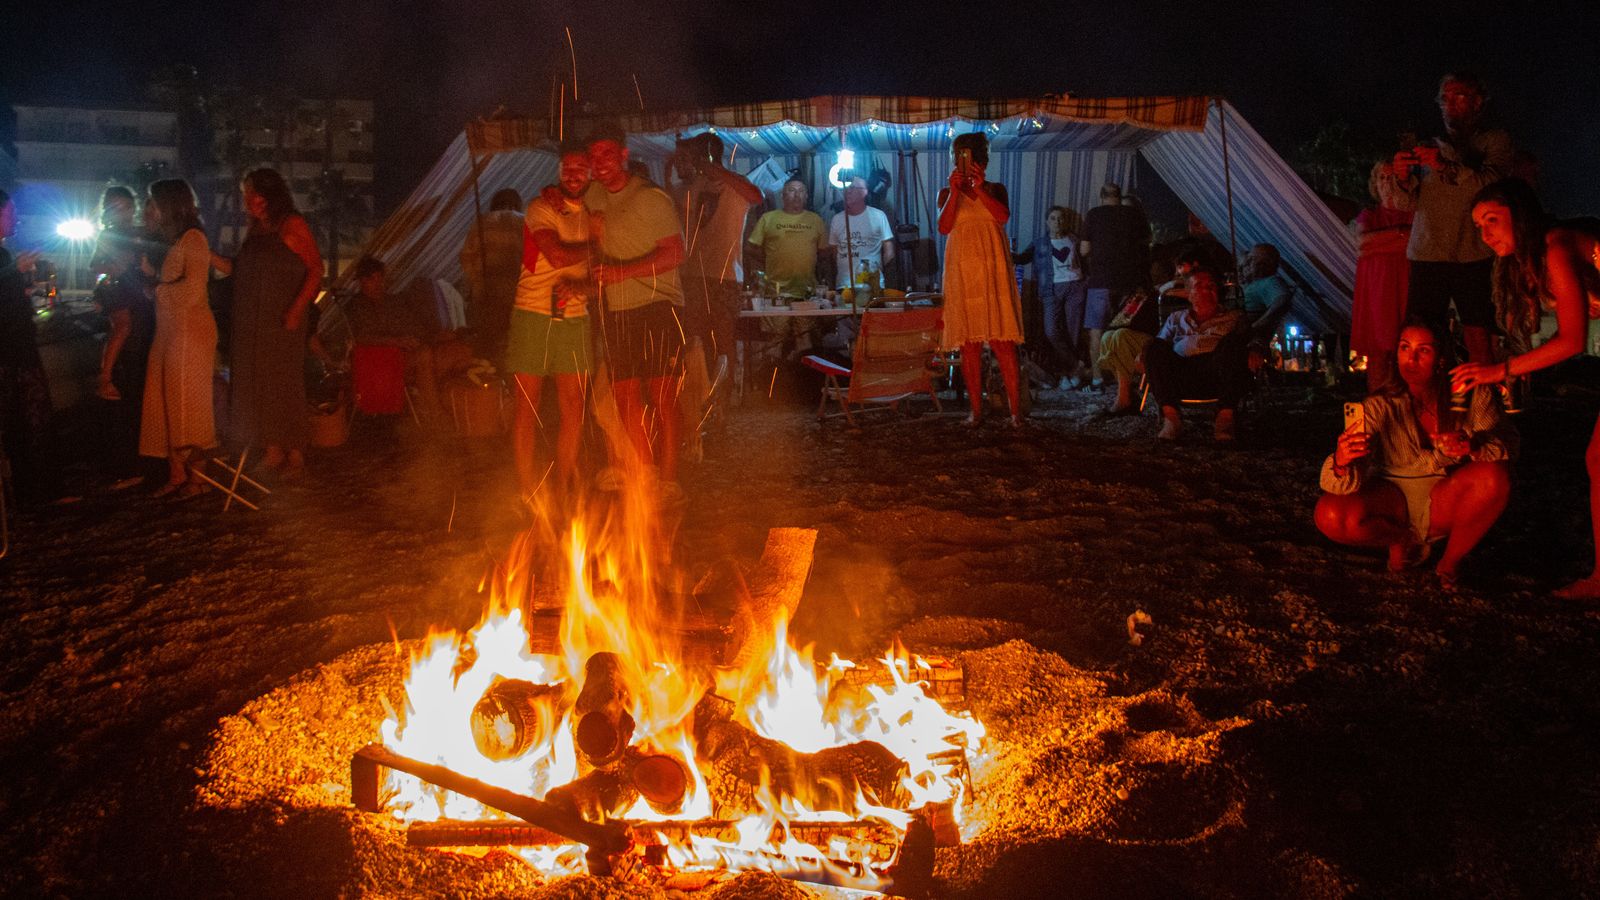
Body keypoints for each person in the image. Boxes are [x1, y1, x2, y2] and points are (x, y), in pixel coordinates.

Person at [1452, 178, 1600, 598]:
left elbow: (1572, 339)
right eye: (1480, 225)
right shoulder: (1536, 259)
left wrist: (1498, 372)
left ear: (1521, 214)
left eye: (1493, 220)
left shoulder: (1555, 247)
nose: (1486, 234)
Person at [1318, 317, 1515, 588]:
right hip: (1394, 495)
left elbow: (1508, 446)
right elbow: (1344, 481)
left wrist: (1473, 447)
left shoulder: (1471, 394)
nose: (1411, 359)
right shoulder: (1379, 406)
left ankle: (1450, 562)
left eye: (1423, 350)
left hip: (1448, 492)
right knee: (1329, 515)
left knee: (1495, 476)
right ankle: (1404, 540)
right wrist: (1342, 461)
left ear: (1441, 358)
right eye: (1404, 348)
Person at [1379, 72, 1514, 366]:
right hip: (1428, 252)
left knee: (1479, 335)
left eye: (1459, 97)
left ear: (1478, 103)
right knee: (1421, 335)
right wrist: (1401, 177)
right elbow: (1408, 203)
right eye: (1444, 98)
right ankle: (1426, 404)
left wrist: (1444, 164)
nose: (1449, 105)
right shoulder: (1429, 144)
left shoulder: (1494, 141)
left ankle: (1483, 404)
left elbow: (1491, 186)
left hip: (1474, 252)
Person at [584, 122, 688, 484]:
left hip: (658, 306)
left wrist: (621, 273)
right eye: (594, 156)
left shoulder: (650, 197)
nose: (600, 162)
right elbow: (592, 243)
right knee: (625, 396)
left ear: (624, 156)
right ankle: (646, 476)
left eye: (607, 153)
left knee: (662, 396)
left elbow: (675, 253)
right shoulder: (593, 196)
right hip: (618, 310)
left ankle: (669, 481)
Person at [212, 168, 324, 480]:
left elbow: (316, 269)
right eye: (245, 193)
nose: (247, 199)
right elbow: (238, 268)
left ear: (269, 195)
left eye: (252, 192)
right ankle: (272, 450)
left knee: (282, 382)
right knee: (257, 383)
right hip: (251, 319)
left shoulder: (292, 224)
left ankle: (296, 452)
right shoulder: (257, 230)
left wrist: (297, 309)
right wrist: (207, 256)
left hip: (281, 318)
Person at [508, 145, 598, 501]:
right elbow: (556, 254)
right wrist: (596, 245)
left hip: (575, 317)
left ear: (592, 173)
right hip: (532, 312)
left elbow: (599, 278)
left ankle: (563, 484)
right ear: (559, 171)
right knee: (526, 406)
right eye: (568, 168)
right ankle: (526, 487)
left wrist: (584, 285)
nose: (574, 174)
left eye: (581, 168)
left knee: (573, 407)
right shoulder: (541, 206)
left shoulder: (595, 211)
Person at [674, 132, 761, 451]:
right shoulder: (689, 188)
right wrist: (679, 162)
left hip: (725, 278)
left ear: (708, 156)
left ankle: (722, 411)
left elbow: (757, 196)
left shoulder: (735, 187)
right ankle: (696, 409)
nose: (689, 164)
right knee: (694, 346)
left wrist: (713, 168)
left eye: (694, 157)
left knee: (724, 345)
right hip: (692, 277)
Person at [138, 179, 218, 498]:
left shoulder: (193, 239)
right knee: (163, 401)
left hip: (190, 334)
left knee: (186, 405)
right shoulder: (172, 242)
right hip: (169, 331)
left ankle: (197, 479)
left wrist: (156, 289)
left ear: (169, 206)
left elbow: (193, 290)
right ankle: (176, 473)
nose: (149, 210)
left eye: (153, 203)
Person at [937, 132, 1024, 426]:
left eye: (970, 158)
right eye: (960, 158)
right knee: (969, 344)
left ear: (981, 161)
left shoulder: (995, 188)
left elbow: (1001, 217)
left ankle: (1016, 413)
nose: (965, 163)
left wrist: (979, 187)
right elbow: (944, 227)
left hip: (992, 270)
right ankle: (975, 411)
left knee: (1003, 342)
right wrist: (954, 191)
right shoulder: (946, 193)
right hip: (963, 272)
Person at [0, 190, 72, 506]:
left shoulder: (5, 256)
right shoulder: (5, 260)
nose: (16, 218)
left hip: (15, 348)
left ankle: (30, 490)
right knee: (32, 421)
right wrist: (15, 273)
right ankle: (40, 491)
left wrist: (26, 285)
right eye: (11, 212)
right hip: (12, 353)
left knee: (22, 424)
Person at [90, 186, 157, 485]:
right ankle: (104, 375)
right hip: (119, 290)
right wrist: (112, 271)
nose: (121, 212)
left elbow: (151, 265)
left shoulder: (143, 232)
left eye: (125, 206)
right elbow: (97, 268)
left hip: (140, 297)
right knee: (122, 328)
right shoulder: (106, 236)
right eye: (114, 207)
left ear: (133, 207)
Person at [1144, 267, 1249, 442]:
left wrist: (1256, 349)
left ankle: (1225, 419)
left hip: (1217, 371)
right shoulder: (1176, 318)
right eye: (1200, 285)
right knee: (1153, 346)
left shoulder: (1234, 317)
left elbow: (1252, 339)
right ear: (1189, 294)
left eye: (1212, 285)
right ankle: (1171, 419)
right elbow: (1160, 345)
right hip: (1181, 371)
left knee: (1233, 342)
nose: (1208, 289)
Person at [347, 257, 451, 423]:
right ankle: (435, 411)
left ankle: (438, 404)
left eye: (380, 278)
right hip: (377, 361)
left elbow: (411, 324)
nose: (378, 284)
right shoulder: (357, 306)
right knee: (424, 355)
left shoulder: (392, 302)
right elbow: (362, 338)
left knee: (442, 351)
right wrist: (397, 341)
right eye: (372, 280)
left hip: (400, 354)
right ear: (362, 281)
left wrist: (430, 336)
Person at [1080, 182, 1149, 388]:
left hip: (1101, 280)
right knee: (1123, 331)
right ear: (1119, 196)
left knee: (1096, 330)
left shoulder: (1093, 214)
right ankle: (1124, 379)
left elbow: (1084, 250)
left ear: (1102, 196)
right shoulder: (1134, 215)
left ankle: (1098, 377)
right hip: (1129, 282)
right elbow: (1145, 242)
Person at [1352, 161, 1414, 391]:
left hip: (1404, 285)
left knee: (1406, 350)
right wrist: (1399, 236)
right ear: (1375, 184)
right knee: (1379, 353)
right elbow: (1362, 244)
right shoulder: (1369, 215)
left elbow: (1414, 239)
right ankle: (1378, 410)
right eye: (1382, 178)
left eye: (1392, 178)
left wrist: (1380, 241)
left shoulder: (1413, 213)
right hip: (1378, 289)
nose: (1387, 184)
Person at [1013, 205, 1087, 387]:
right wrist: (1005, 252)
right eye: (1053, 218)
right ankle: (1076, 365)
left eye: (1060, 218)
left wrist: (1087, 282)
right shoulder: (1040, 243)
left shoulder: (1074, 240)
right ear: (1047, 222)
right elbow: (1022, 258)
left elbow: (1087, 261)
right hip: (1050, 290)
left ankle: (1068, 374)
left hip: (1075, 287)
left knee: (1073, 332)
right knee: (1051, 331)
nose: (1057, 222)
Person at [460, 188, 525, 360]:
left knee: (487, 344)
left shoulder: (483, 222)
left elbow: (466, 258)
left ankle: (488, 379)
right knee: (513, 343)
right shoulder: (525, 223)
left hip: (486, 293)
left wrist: (478, 280)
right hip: (517, 293)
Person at [747, 178, 826, 298]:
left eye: (801, 191)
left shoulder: (816, 220)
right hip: (775, 290)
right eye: (792, 190)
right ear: (782, 195)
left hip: (808, 291)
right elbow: (751, 248)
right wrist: (769, 259)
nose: (797, 194)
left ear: (806, 196)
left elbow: (824, 253)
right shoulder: (768, 218)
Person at [827, 175, 894, 291]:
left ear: (864, 192)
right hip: (844, 285)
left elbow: (889, 251)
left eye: (853, 188)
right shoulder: (836, 219)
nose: (848, 191)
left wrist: (876, 269)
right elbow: (833, 252)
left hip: (872, 285)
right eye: (846, 187)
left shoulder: (878, 216)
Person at [1240, 243, 1295, 343]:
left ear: (1264, 263)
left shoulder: (1270, 282)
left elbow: (1282, 300)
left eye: (1253, 258)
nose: (1248, 262)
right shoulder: (1253, 284)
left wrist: (1255, 326)